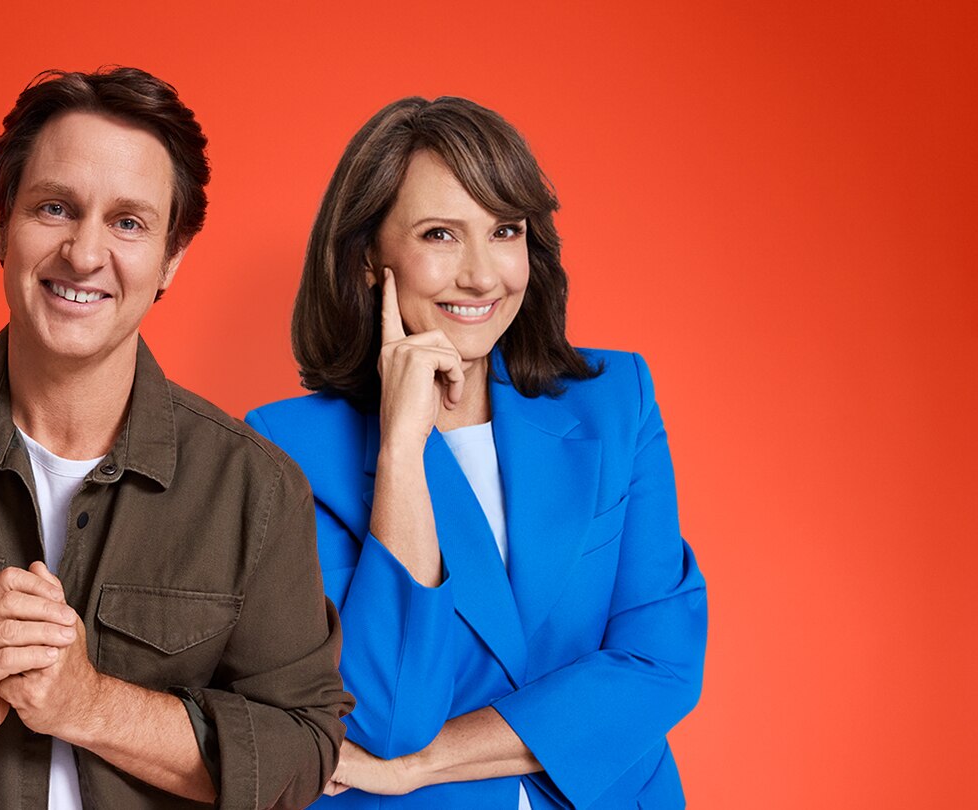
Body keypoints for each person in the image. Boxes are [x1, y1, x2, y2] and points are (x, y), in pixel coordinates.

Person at [0, 66, 351, 810]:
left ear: (171, 258)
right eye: (54, 208)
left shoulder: (256, 487)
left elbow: (302, 749)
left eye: (129, 222)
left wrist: (90, 705)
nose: (83, 253)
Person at [246, 97, 707, 809]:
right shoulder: (291, 449)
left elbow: (660, 663)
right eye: (439, 234)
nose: (484, 276)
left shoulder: (617, 401)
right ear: (370, 257)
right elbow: (386, 716)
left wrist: (424, 766)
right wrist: (401, 450)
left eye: (504, 231)